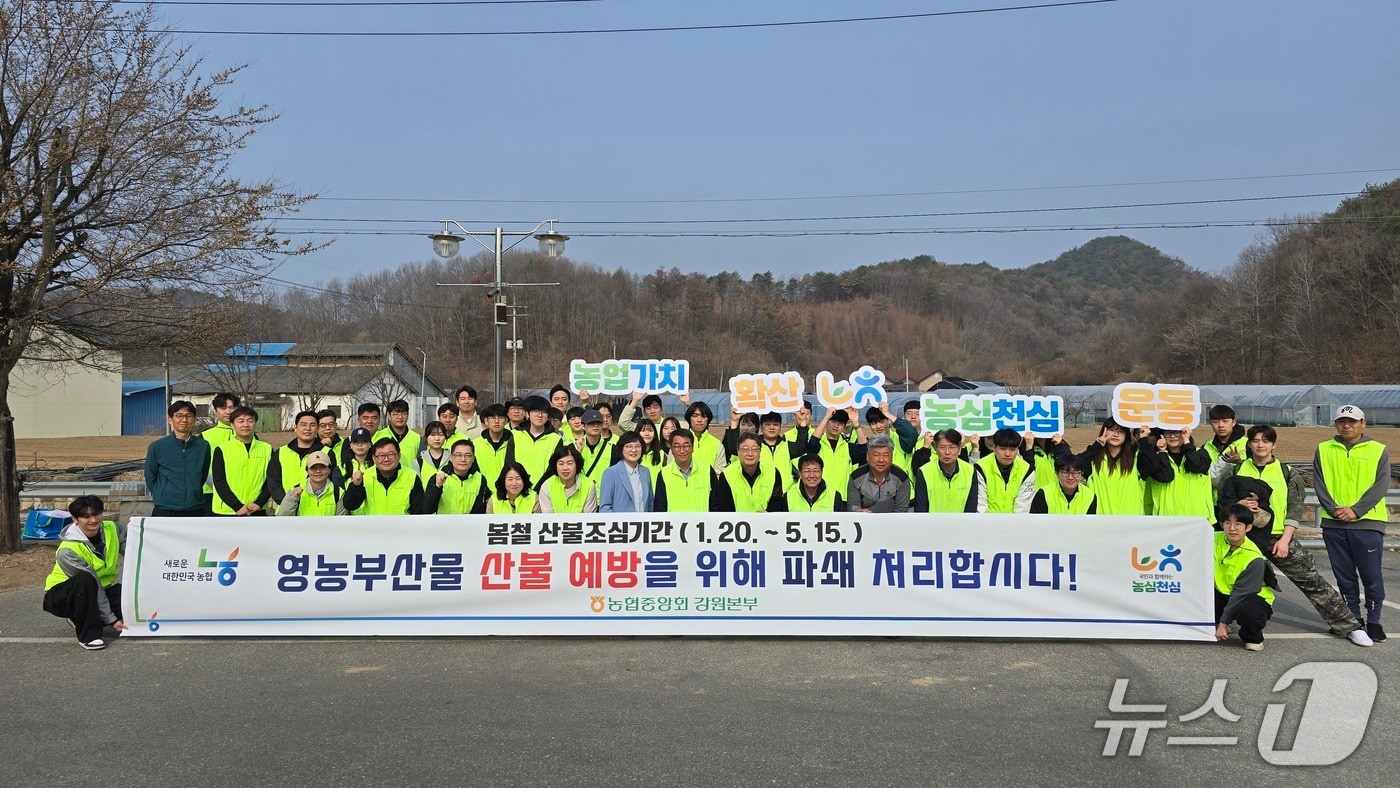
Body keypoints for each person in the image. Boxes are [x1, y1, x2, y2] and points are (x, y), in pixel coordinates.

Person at [1213, 426, 1373, 646]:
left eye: (1266, 441)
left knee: (1312, 580)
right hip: (1242, 538)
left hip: (1277, 537)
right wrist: (1238, 504)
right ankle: (1220, 620)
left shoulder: (1288, 472)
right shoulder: (1236, 470)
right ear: (1249, 444)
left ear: (1273, 445)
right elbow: (1223, 501)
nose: (1260, 445)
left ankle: (1349, 626)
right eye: (1256, 441)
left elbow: (1294, 509)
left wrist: (1285, 540)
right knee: (1222, 578)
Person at [1313, 405, 1391, 643]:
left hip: (1367, 522)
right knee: (1344, 576)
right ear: (1336, 424)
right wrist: (1332, 509)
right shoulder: (1324, 449)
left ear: (1362, 423)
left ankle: (1374, 621)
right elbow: (1319, 483)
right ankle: (1353, 620)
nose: (1347, 425)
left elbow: (1381, 485)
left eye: (1352, 421)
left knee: (1371, 576)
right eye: (1342, 421)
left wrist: (1356, 510)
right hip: (1334, 523)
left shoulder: (1378, 450)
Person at [43, 496, 127, 649]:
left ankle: (82, 617)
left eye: (96, 514)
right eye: (86, 516)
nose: (93, 520)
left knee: (130, 597)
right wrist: (111, 619)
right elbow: (92, 583)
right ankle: (89, 636)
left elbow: (135, 552)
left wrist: (137, 527)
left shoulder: (113, 528)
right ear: (75, 519)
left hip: (98, 591)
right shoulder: (67, 550)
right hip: (65, 596)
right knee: (85, 579)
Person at [1215, 505, 1277, 652]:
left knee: (1249, 612)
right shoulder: (1213, 538)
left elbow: (1241, 593)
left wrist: (1223, 623)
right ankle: (1216, 620)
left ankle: (1252, 636)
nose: (1232, 528)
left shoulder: (1254, 557)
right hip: (1222, 592)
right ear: (1222, 524)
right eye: (1228, 523)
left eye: (1238, 524)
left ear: (1248, 527)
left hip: (1249, 596)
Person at [1079, 418, 1168, 515]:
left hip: (1131, 520)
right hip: (1101, 520)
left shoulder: (1136, 458)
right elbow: (1075, 466)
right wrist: (1097, 446)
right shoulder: (1094, 460)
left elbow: (1153, 465)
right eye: (1112, 430)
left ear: (1127, 435)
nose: (1116, 434)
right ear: (1104, 431)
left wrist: (1143, 440)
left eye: (1121, 432)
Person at [144, 400, 210, 517]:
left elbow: (202, 475)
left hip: (195, 507)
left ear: (194, 419)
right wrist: (161, 494)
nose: (184, 420)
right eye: (179, 415)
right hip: (165, 508)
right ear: (170, 419)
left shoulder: (203, 446)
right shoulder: (157, 446)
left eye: (188, 416)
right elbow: (150, 475)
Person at [210, 406, 272, 516]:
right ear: (232, 425)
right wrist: (237, 506)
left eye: (250, 421)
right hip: (227, 511)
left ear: (255, 424)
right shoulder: (222, 449)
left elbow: (271, 479)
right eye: (240, 421)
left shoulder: (267, 448)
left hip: (256, 509)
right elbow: (219, 481)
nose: (246, 425)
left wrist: (259, 503)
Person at [343, 437, 426, 515]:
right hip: (373, 525)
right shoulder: (366, 476)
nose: (386, 459)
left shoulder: (411, 477)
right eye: (381, 456)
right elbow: (350, 505)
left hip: (402, 525)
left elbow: (419, 511)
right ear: (374, 458)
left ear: (399, 455)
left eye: (391, 454)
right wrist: (356, 485)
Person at [1145, 426, 1213, 520]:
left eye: (1177, 432)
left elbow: (1196, 466)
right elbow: (1166, 476)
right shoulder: (1155, 458)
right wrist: (1162, 452)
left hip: (1197, 518)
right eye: (1167, 433)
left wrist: (1187, 442)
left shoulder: (1200, 453)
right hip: (1166, 518)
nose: (1172, 436)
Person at [912, 429, 980, 513]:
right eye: (942, 447)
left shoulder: (970, 470)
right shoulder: (924, 471)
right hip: (932, 521)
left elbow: (971, 506)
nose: (947, 452)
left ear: (959, 449)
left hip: (961, 521)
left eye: (952, 447)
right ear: (936, 449)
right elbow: (920, 508)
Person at [713, 433, 784, 512]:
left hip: (766, 519)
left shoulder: (773, 472)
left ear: (760, 451)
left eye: (754, 449)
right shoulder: (727, 474)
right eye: (745, 449)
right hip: (736, 519)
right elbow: (725, 506)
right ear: (738, 451)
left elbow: (777, 501)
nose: (750, 453)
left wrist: (766, 514)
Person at [804, 407, 865, 498]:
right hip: (820, 497)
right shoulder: (819, 445)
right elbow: (812, 444)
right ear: (827, 422)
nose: (836, 426)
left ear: (844, 426)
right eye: (833, 421)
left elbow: (864, 450)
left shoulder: (848, 447)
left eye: (840, 423)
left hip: (842, 498)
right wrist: (826, 417)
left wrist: (856, 424)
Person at [267, 409, 321, 506]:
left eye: (312, 425)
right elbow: (274, 482)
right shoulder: (281, 453)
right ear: (295, 427)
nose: (308, 428)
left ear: (317, 428)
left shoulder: (326, 453)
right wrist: (287, 503)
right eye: (303, 425)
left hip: (315, 509)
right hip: (285, 509)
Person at [653, 430, 718, 512]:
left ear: (693, 447)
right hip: (674, 520)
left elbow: (716, 504)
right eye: (677, 447)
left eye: (686, 446)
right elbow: (660, 508)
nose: (682, 451)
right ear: (671, 449)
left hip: (702, 520)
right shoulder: (664, 474)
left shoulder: (707, 470)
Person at [974, 428, 1035, 514]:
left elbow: (1023, 507)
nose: (1007, 454)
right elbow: (980, 505)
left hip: (1016, 521)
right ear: (994, 448)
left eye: (1012, 450)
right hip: (986, 520)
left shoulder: (1026, 469)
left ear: (1017, 449)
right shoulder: (980, 467)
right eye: (1002, 449)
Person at [422, 439, 489, 514]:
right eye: (458, 455)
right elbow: (427, 510)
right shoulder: (438, 477)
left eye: (467, 455)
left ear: (473, 458)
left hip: (470, 521)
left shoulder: (480, 479)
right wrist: (437, 487)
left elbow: (480, 510)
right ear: (451, 457)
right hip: (444, 521)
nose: (463, 459)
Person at [847, 434, 911, 513]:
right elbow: (852, 506)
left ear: (892, 457)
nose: (881, 460)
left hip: (893, 520)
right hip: (865, 519)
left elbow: (901, 511)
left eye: (886, 455)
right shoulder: (856, 477)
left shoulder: (901, 478)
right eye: (876, 455)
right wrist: (858, 511)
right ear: (867, 456)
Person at [200, 392, 240, 513]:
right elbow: (199, 466)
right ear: (216, 411)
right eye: (223, 408)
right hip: (210, 493)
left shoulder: (249, 436)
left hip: (241, 492)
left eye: (232, 407)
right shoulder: (205, 436)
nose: (228, 412)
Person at [514, 395, 563, 485]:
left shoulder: (555, 439)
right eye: (535, 411)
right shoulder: (514, 435)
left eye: (544, 412)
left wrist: (540, 488)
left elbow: (553, 468)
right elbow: (509, 463)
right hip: (518, 487)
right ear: (527, 414)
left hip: (545, 489)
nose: (540, 415)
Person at [278, 451, 346, 516]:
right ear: (307, 470)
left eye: (322, 467)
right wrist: (293, 499)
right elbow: (282, 518)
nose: (318, 471)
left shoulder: (339, 493)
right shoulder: (295, 492)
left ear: (329, 470)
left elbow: (341, 521)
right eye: (313, 468)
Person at [537, 444, 600, 513]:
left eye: (570, 463)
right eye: (561, 464)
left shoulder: (588, 485)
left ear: (577, 464)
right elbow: (548, 518)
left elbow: (589, 517)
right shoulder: (546, 486)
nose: (565, 468)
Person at [600, 431, 653, 512]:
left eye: (637, 446)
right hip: (619, 520)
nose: (634, 450)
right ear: (621, 449)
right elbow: (605, 507)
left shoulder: (645, 472)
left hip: (643, 520)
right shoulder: (611, 473)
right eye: (628, 446)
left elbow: (650, 504)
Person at [1030, 455, 1097, 514]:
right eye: (1065, 473)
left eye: (1075, 473)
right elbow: (1036, 522)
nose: (1070, 477)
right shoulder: (1044, 493)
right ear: (1056, 473)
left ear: (1081, 474)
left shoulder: (1090, 496)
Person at [472, 403, 516, 489]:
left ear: (506, 421)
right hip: (482, 491)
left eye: (500, 417)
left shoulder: (514, 443)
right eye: (492, 417)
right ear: (486, 421)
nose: (496, 421)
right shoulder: (475, 444)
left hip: (508, 491)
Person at [681, 397, 727, 473]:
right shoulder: (680, 442)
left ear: (708, 419)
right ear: (689, 418)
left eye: (703, 416)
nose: (699, 420)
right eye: (695, 416)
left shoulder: (717, 444)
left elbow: (720, 471)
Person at [574, 409, 616, 488]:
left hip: (603, 493)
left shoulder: (613, 449)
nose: (595, 425)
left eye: (598, 423)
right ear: (583, 426)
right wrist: (578, 452)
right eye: (591, 423)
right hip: (581, 492)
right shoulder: (573, 447)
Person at [374, 399, 422, 467]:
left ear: (408, 415)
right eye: (396, 414)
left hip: (410, 474)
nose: (400, 417)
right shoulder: (378, 436)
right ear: (389, 416)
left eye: (403, 414)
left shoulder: (417, 438)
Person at [863, 406, 911, 475]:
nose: (878, 426)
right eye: (874, 423)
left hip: (901, 480)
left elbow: (910, 432)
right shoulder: (868, 444)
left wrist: (887, 413)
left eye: (882, 422)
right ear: (869, 425)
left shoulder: (901, 438)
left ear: (889, 421)